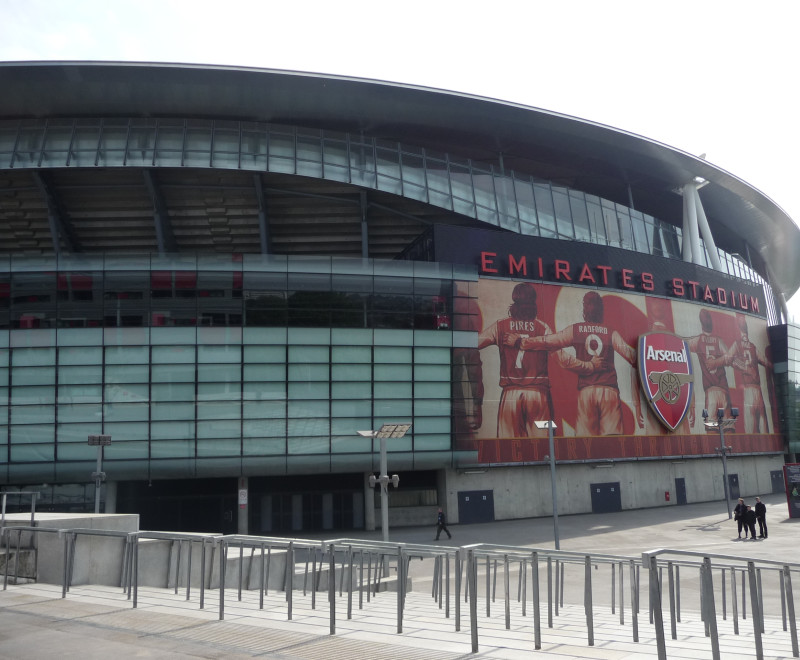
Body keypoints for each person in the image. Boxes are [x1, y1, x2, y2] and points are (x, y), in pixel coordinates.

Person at [506, 291, 643, 435]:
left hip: (586, 391)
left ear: (584, 308)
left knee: (585, 441)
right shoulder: (610, 332)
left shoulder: (576, 329)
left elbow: (549, 341)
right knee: (613, 439)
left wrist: (521, 342)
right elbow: (632, 357)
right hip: (609, 390)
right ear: (601, 309)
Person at [477, 283, 554, 438]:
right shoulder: (543, 327)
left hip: (510, 393)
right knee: (543, 444)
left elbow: (475, 343)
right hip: (538, 393)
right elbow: (558, 352)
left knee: (509, 444)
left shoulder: (501, 325)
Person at [722, 316, 771, 433]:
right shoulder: (753, 347)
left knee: (750, 429)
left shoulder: (737, 344)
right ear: (747, 328)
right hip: (758, 390)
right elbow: (766, 362)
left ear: (738, 327)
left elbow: (727, 359)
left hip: (749, 390)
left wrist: (742, 367)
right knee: (763, 427)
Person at [686, 309, 732, 421]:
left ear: (701, 324)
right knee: (727, 427)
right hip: (723, 389)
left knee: (711, 428)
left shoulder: (697, 340)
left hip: (710, 390)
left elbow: (682, 342)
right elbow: (730, 358)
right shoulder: (718, 341)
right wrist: (717, 362)